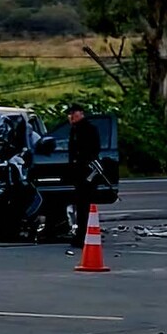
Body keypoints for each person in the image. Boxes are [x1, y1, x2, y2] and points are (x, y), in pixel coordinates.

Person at [67, 103, 101, 248]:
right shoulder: (74, 130)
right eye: (69, 114)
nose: (70, 116)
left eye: (73, 113)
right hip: (78, 172)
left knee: (84, 204)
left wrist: (82, 161)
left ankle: (83, 235)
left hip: (86, 172)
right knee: (80, 205)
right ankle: (81, 234)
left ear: (81, 113)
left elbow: (93, 150)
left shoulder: (88, 129)